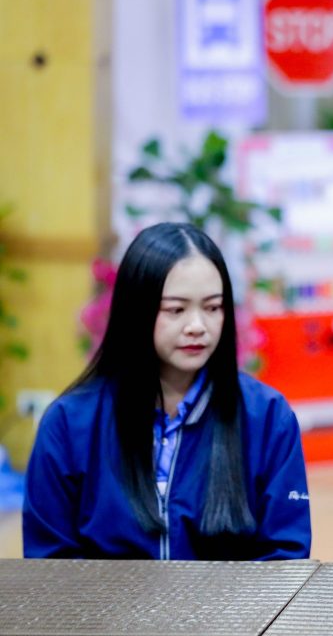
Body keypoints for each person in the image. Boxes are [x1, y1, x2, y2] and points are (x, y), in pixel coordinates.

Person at [23, 223, 311, 560]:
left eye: (212, 307)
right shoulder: (68, 424)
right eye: (176, 309)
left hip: (235, 599)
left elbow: (285, 556)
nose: (197, 326)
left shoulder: (268, 417)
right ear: (136, 311)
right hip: (103, 599)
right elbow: (50, 562)